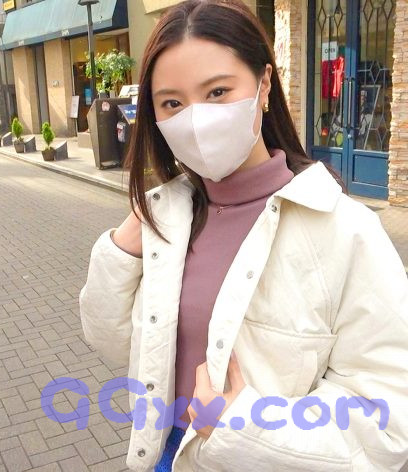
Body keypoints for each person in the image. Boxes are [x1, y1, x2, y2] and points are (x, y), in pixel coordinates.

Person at [79, 1, 408, 470]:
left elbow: (388, 421)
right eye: (172, 103)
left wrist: (242, 426)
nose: (196, 119)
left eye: (217, 91)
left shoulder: (343, 229)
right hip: (166, 454)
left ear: (264, 84)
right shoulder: (169, 217)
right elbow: (112, 341)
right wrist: (122, 248)